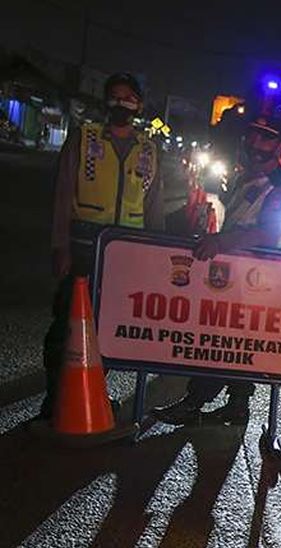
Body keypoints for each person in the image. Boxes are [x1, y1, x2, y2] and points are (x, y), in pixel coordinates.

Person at [153, 114, 281, 425]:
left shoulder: (278, 189)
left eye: (267, 138)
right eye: (254, 136)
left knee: (221, 346)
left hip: (258, 282)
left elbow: (269, 234)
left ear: (279, 146)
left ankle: (194, 403)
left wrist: (222, 242)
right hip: (238, 281)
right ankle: (237, 406)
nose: (257, 144)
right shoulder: (249, 179)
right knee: (236, 346)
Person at [42, 72, 163, 418]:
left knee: (106, 332)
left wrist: (157, 257)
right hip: (82, 250)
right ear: (105, 101)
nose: (120, 104)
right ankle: (54, 401)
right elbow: (62, 195)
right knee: (65, 326)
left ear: (138, 105)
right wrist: (59, 245)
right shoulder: (84, 138)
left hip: (126, 258)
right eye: (115, 97)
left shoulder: (149, 151)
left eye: (128, 98)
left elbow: (153, 209)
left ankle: (88, 394)